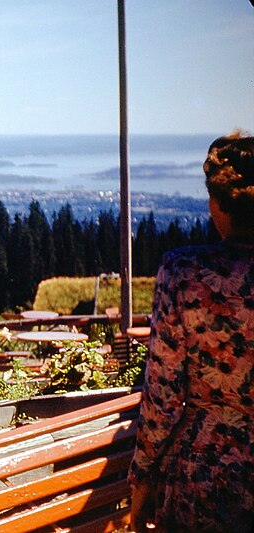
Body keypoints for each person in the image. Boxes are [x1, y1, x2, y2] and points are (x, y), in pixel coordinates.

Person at [129, 131, 254, 532]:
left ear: (219, 206)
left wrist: (142, 479)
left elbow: (162, 394)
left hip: (205, 480)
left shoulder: (185, 275)